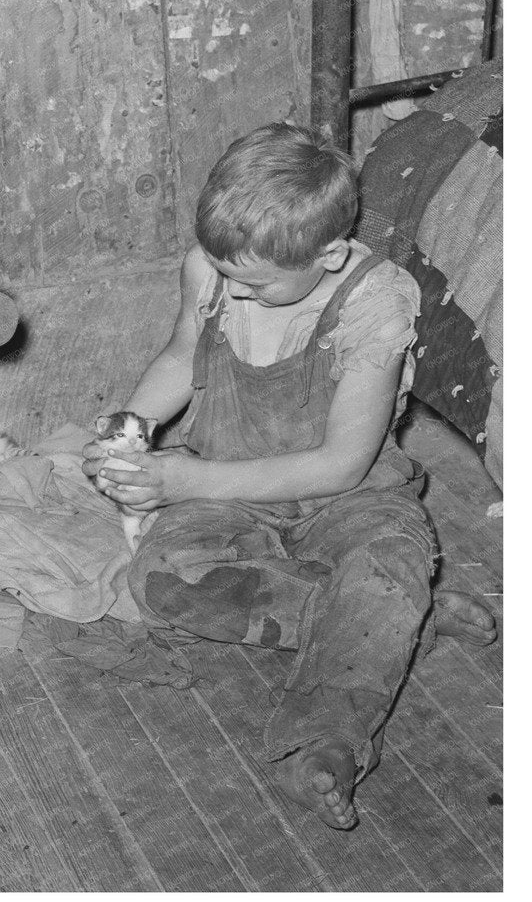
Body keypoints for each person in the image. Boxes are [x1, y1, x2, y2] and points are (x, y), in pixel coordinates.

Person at [83, 122, 497, 830]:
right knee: (162, 578)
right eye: (226, 276)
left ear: (329, 254)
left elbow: (342, 465)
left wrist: (185, 482)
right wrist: (132, 425)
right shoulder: (214, 267)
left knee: (383, 559)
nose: (234, 297)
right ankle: (398, 618)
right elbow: (184, 353)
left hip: (351, 495)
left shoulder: (377, 302)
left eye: (256, 284)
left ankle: (329, 741)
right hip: (232, 489)